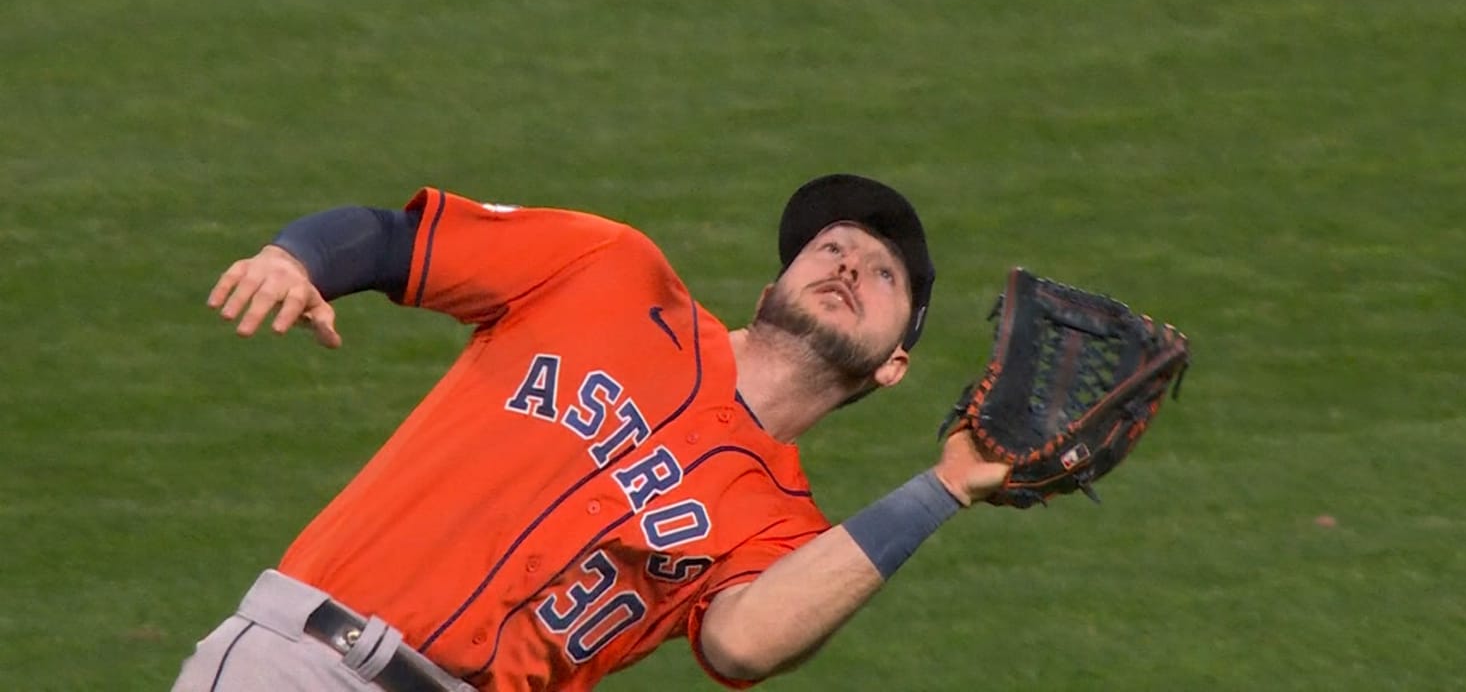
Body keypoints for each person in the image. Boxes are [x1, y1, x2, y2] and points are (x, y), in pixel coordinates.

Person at [172, 174, 1008, 692]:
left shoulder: (778, 527)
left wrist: (944, 488)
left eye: (883, 273)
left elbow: (746, 643)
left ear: (894, 364)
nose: (849, 265)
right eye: (830, 247)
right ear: (772, 282)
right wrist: (297, 260)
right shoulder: (609, 273)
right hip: (304, 668)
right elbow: (401, 239)